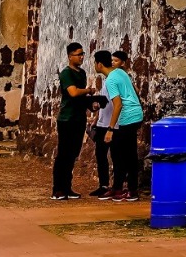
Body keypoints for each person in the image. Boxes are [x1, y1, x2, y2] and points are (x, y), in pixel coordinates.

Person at [97, 48, 146, 198]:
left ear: (99, 65)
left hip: (127, 117)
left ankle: (122, 189)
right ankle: (128, 189)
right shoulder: (121, 73)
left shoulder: (111, 79)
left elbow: (117, 104)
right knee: (128, 154)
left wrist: (110, 129)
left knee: (121, 155)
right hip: (136, 114)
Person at [51, 42, 91, 201]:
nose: (81, 57)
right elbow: (73, 92)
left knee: (73, 154)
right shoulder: (66, 73)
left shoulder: (82, 73)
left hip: (79, 117)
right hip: (67, 118)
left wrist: (91, 102)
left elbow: (80, 97)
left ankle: (67, 187)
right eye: (78, 54)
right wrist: (88, 91)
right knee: (63, 154)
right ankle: (57, 189)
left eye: (82, 54)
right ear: (69, 56)